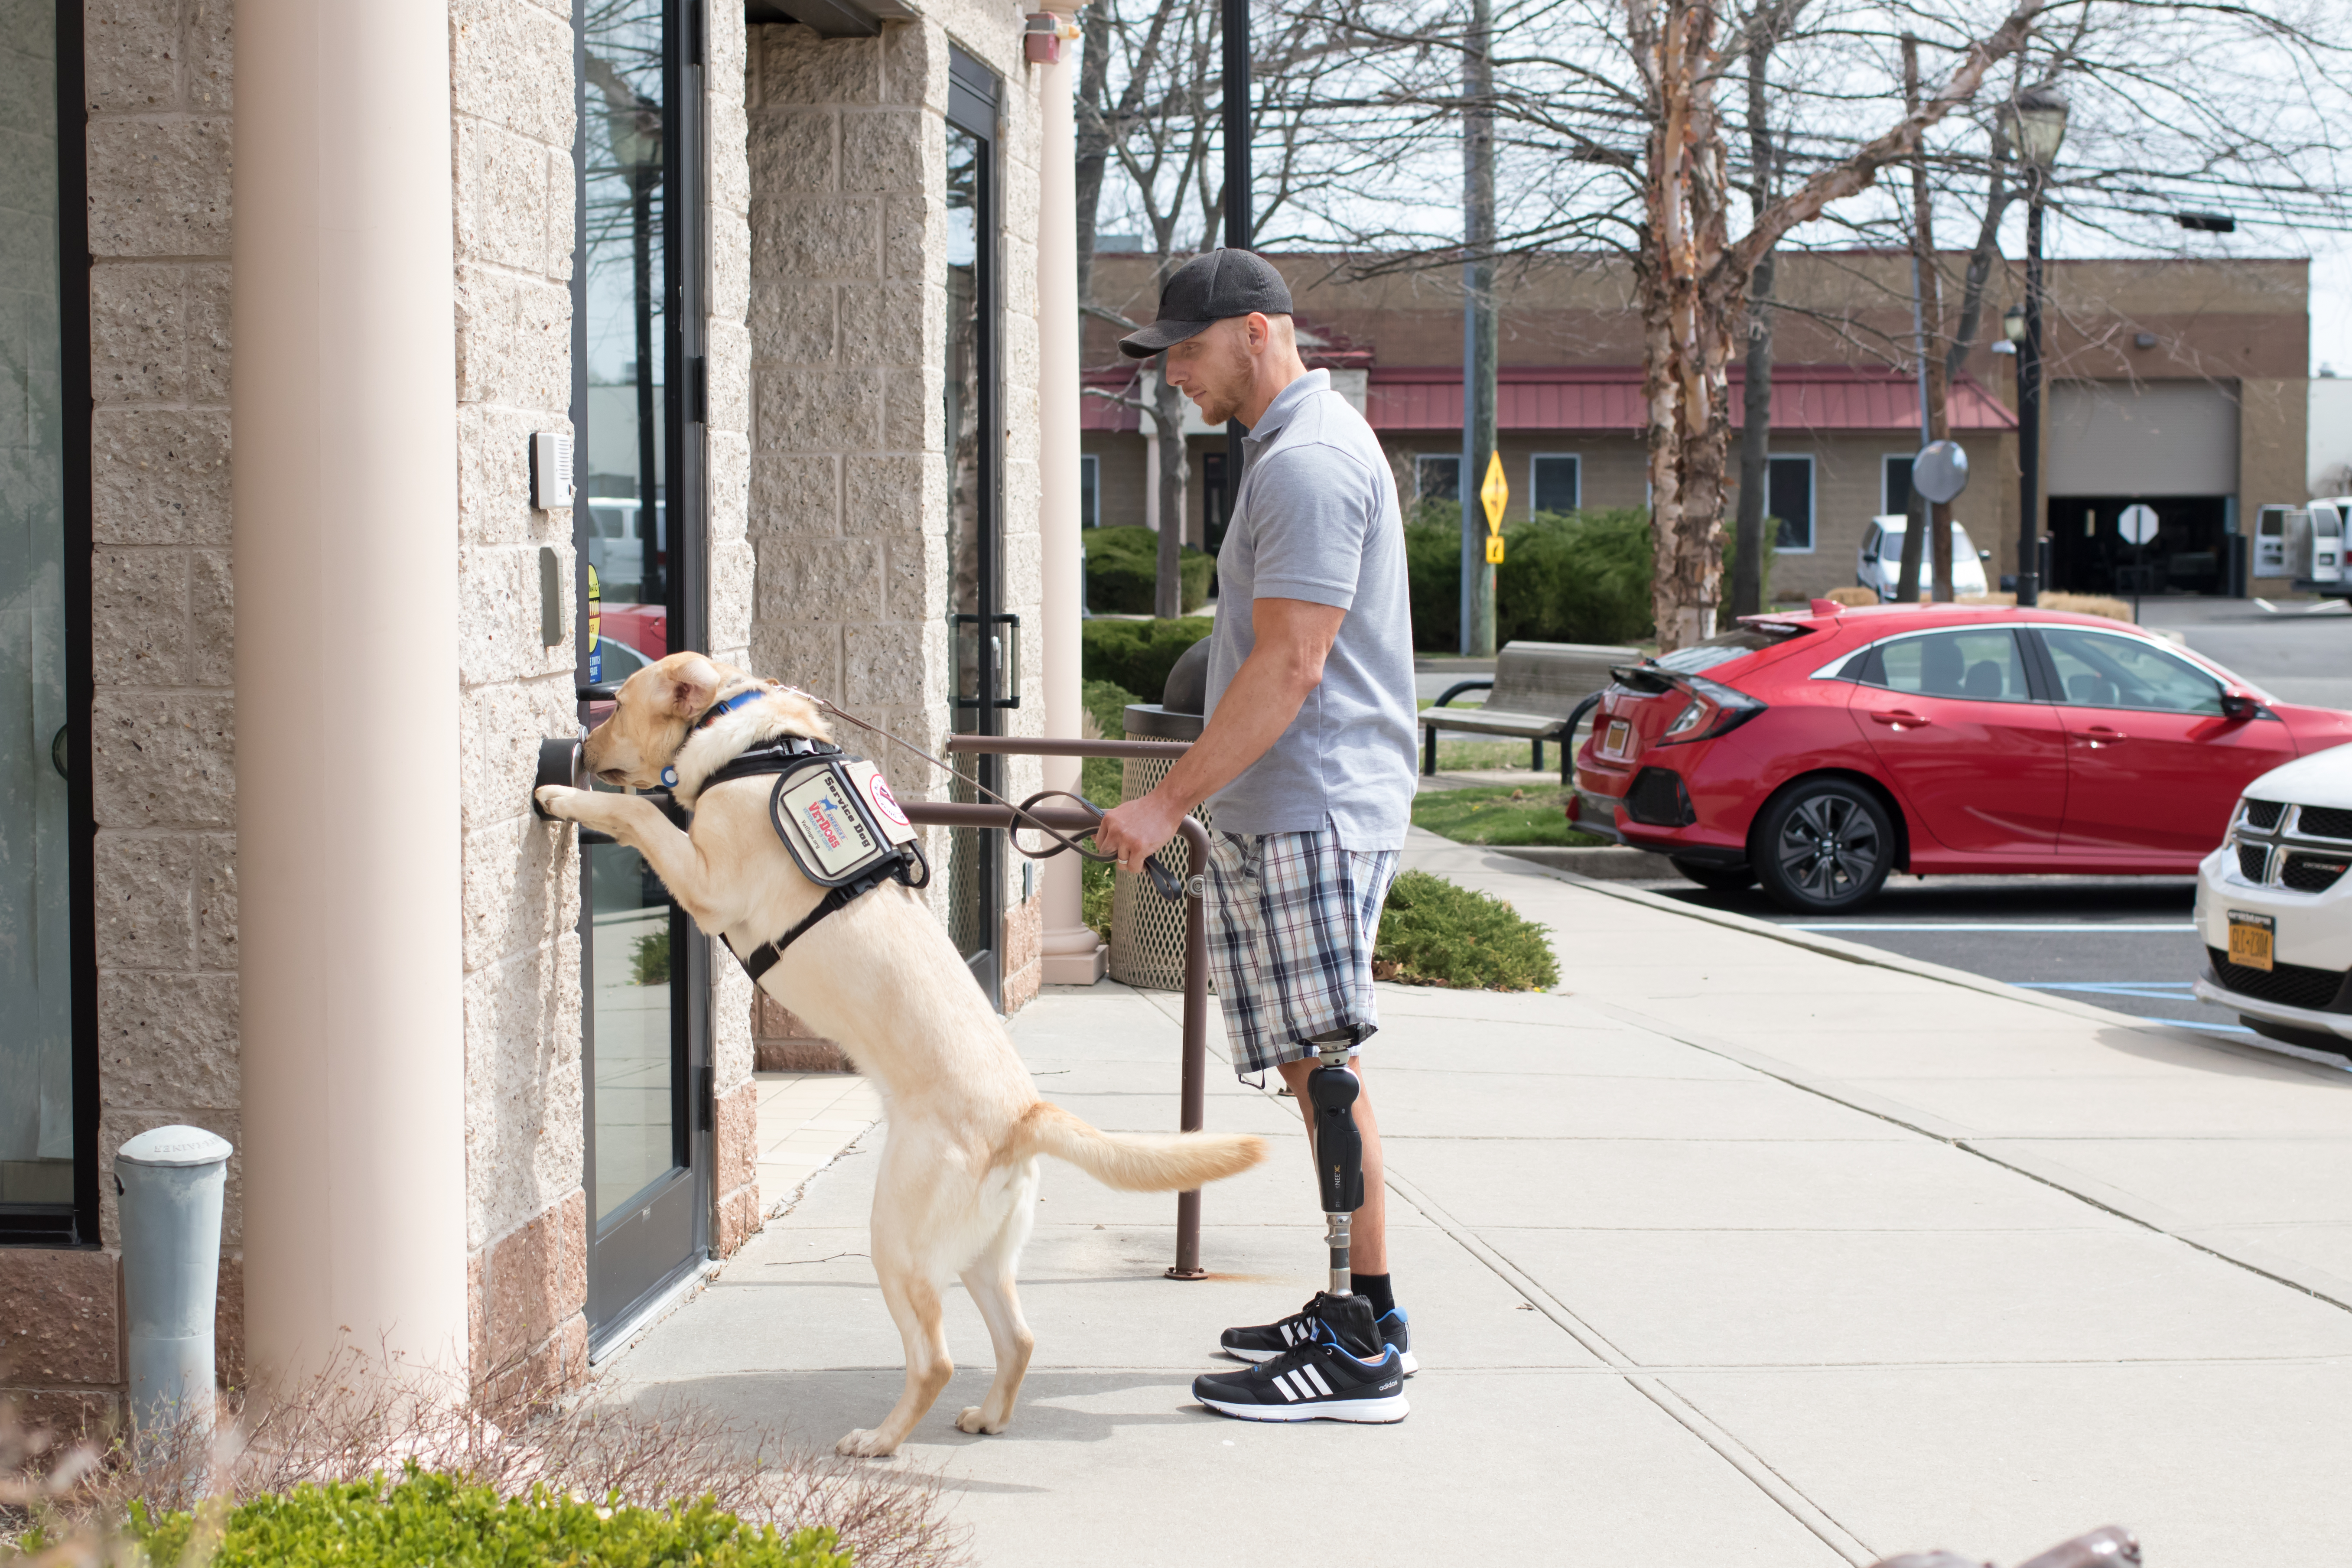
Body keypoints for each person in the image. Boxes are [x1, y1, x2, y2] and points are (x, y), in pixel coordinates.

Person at [1093, 249, 1419, 1424]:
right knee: (1307, 1062)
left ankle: (1360, 1346)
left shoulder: (1310, 465)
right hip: (1293, 806)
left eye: (1180, 350)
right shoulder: (1294, 453)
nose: (1168, 375)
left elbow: (1292, 665)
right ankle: (1361, 1311)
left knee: (1324, 1068)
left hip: (1312, 806)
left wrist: (1163, 800)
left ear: (1251, 334)